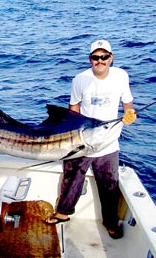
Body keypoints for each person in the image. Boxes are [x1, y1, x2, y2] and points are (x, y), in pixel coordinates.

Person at [45, 39, 137, 239]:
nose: (100, 61)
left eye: (104, 57)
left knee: (110, 185)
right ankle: (63, 213)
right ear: (90, 59)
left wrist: (129, 113)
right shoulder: (80, 79)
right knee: (71, 180)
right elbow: (74, 108)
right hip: (81, 143)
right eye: (96, 57)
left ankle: (111, 223)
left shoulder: (121, 76)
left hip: (108, 142)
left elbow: (127, 103)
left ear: (111, 58)